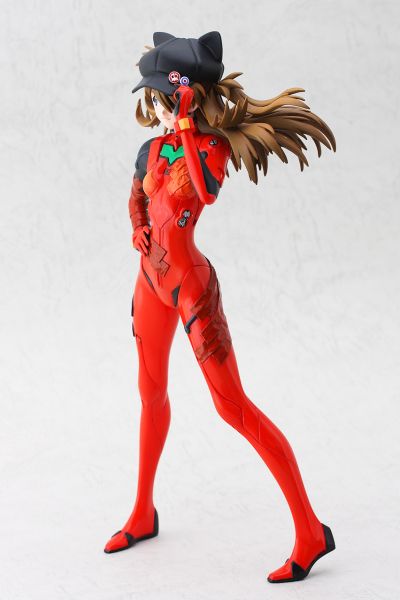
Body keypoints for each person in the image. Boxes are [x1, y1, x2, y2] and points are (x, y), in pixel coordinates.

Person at [104, 31, 336, 584]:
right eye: (159, 100)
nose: (159, 108)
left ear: (187, 96)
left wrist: (188, 126)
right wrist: (137, 227)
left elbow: (205, 192)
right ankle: (142, 511)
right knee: (150, 395)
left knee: (232, 407)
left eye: (165, 98)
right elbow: (136, 194)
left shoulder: (209, 148)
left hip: (190, 284)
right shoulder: (151, 150)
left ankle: (311, 530)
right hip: (149, 281)